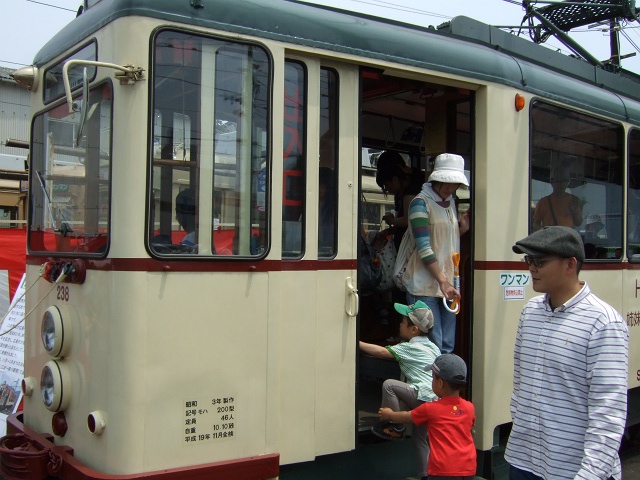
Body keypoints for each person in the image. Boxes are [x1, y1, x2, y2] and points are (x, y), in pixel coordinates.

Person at [506, 226, 629, 480]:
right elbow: (520, 384)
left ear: (570, 265)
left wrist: (589, 475)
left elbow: (608, 414)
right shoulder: (530, 312)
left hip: (573, 470)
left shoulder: (604, 322)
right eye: (529, 260)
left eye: (539, 261)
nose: (531, 268)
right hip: (523, 460)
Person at [359, 301, 440, 478]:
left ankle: (395, 426)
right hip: (434, 400)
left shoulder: (410, 347)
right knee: (420, 439)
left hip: (422, 395)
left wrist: (356, 342)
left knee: (390, 385)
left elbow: (381, 352)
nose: (400, 324)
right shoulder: (433, 347)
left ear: (414, 330)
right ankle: (425, 474)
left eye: (403, 322)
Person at [406, 153, 470, 353]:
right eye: (445, 182)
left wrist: (461, 230)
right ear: (435, 178)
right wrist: (443, 280)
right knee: (432, 347)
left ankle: (441, 384)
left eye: (454, 184)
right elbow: (425, 248)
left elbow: (442, 241)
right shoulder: (420, 203)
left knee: (446, 346)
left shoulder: (450, 203)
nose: (449, 188)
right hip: (424, 286)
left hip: (447, 284)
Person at [379, 353, 476, 480]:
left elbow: (407, 417)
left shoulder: (431, 408)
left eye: (433, 378)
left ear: (440, 383)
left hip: (442, 470)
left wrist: (390, 415)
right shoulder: (469, 407)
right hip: (468, 467)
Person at [375, 150, 423, 251]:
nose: (388, 190)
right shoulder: (405, 187)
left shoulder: (412, 189)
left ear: (395, 179)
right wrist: (389, 231)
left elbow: (408, 220)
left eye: (387, 185)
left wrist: (392, 221)